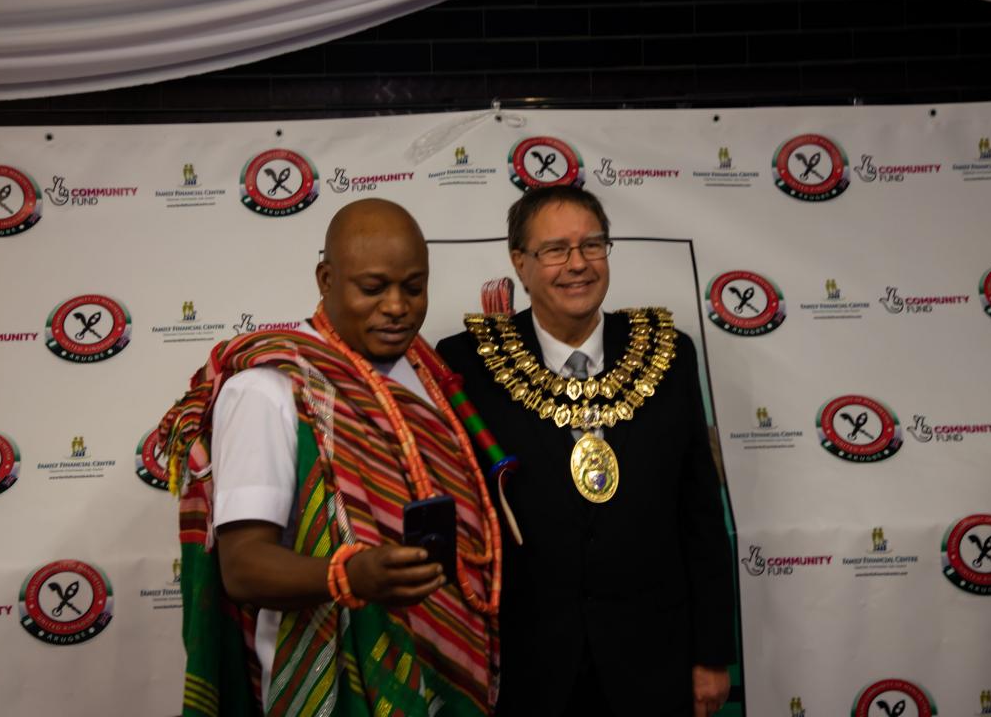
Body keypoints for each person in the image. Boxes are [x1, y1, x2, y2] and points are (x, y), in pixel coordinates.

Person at [161, 198, 501, 717]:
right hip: (331, 685)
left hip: (449, 673)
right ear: (325, 279)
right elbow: (243, 567)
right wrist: (350, 576)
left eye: (414, 287)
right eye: (373, 288)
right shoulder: (269, 387)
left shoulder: (426, 371)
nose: (397, 306)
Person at [437, 187, 735, 717]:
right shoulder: (469, 363)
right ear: (520, 263)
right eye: (555, 250)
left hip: (653, 660)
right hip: (526, 665)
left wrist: (711, 656)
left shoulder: (668, 354)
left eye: (592, 245)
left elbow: (701, 516)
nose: (578, 264)